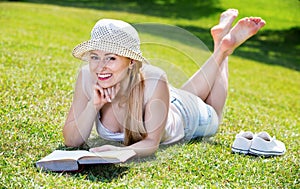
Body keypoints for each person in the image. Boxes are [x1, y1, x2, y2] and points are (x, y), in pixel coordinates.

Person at [63, 9, 266, 157]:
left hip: (186, 116)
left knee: (215, 112)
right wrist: (93, 106)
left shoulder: (155, 80)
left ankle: (223, 49)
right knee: (189, 94)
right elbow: (72, 141)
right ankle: (221, 42)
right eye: (94, 57)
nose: (100, 67)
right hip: (166, 100)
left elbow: (151, 143)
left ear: (131, 61)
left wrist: (120, 152)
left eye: (111, 58)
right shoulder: (87, 78)